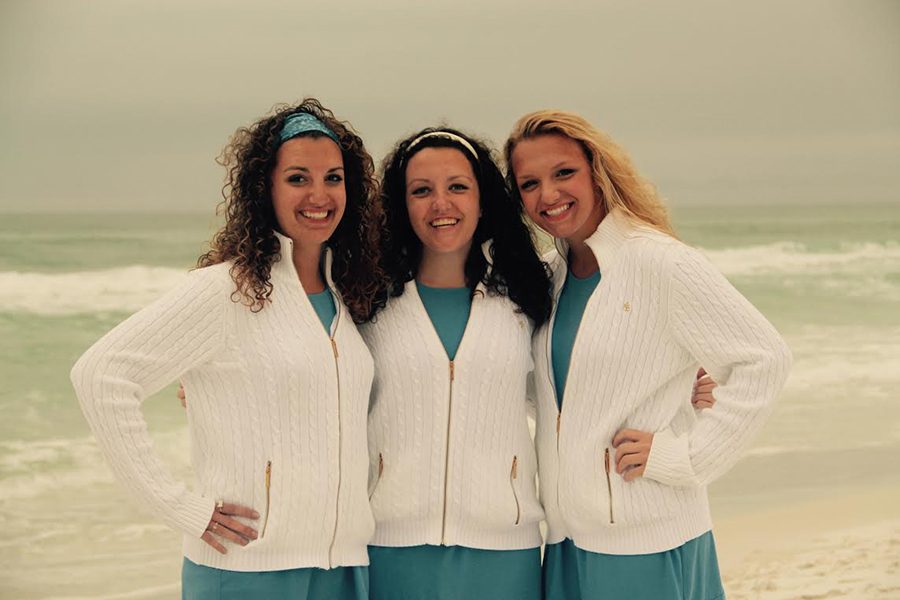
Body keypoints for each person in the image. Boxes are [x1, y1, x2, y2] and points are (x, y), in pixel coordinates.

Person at [70, 98, 387, 600]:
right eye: (298, 178)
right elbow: (101, 375)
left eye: (334, 178)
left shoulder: (347, 298)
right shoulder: (225, 290)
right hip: (247, 570)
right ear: (265, 188)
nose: (319, 195)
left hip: (343, 567)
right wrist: (179, 507)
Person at [504, 110, 792, 600]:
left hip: (647, 539)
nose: (548, 194)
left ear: (597, 170)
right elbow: (561, 393)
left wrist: (686, 457)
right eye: (529, 183)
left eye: (563, 173)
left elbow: (764, 359)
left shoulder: (659, 262)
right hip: (568, 539)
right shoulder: (549, 277)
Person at [361, 127, 553, 600]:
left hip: (505, 547)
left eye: (457, 187)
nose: (440, 204)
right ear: (402, 207)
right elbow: (309, 370)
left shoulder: (526, 297)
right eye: (421, 191)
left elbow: (575, 377)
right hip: (387, 546)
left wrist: (679, 388)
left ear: (483, 200)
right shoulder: (366, 301)